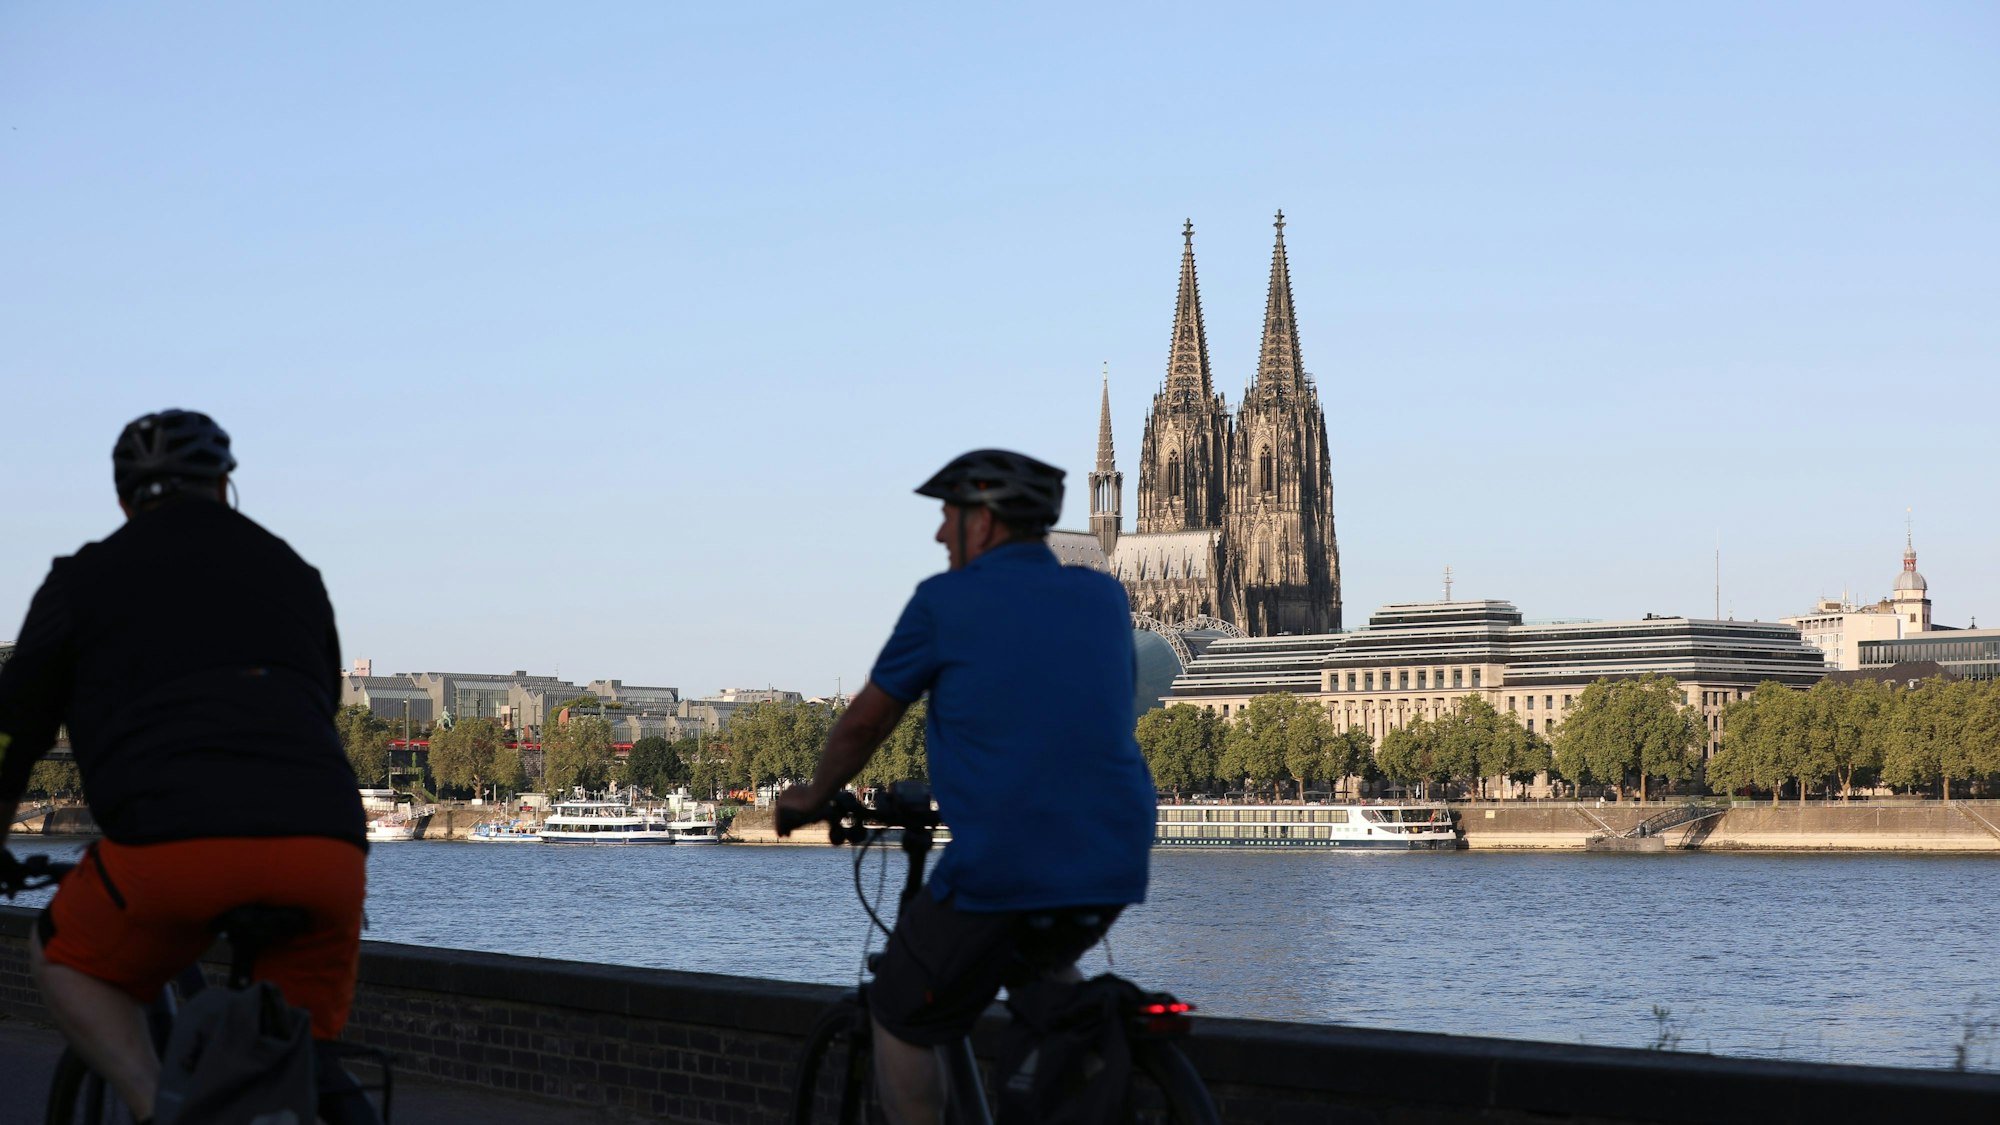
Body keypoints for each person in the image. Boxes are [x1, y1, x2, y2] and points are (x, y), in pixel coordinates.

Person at [0, 409, 371, 1124]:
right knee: (298, 1057)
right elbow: (318, 700)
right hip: (325, 847)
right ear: (225, 486)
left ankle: (155, 1105)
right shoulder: (294, 572)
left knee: (60, 953)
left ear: (124, 500)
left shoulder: (84, 579)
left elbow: (15, 732)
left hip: (174, 848)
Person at [776, 448, 1157, 1125]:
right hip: (1117, 858)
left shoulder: (944, 602)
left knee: (901, 1007)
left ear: (984, 523)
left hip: (1010, 860)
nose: (940, 533)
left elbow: (866, 722)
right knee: (1037, 970)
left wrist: (811, 793)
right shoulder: (1104, 595)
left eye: (949, 515)